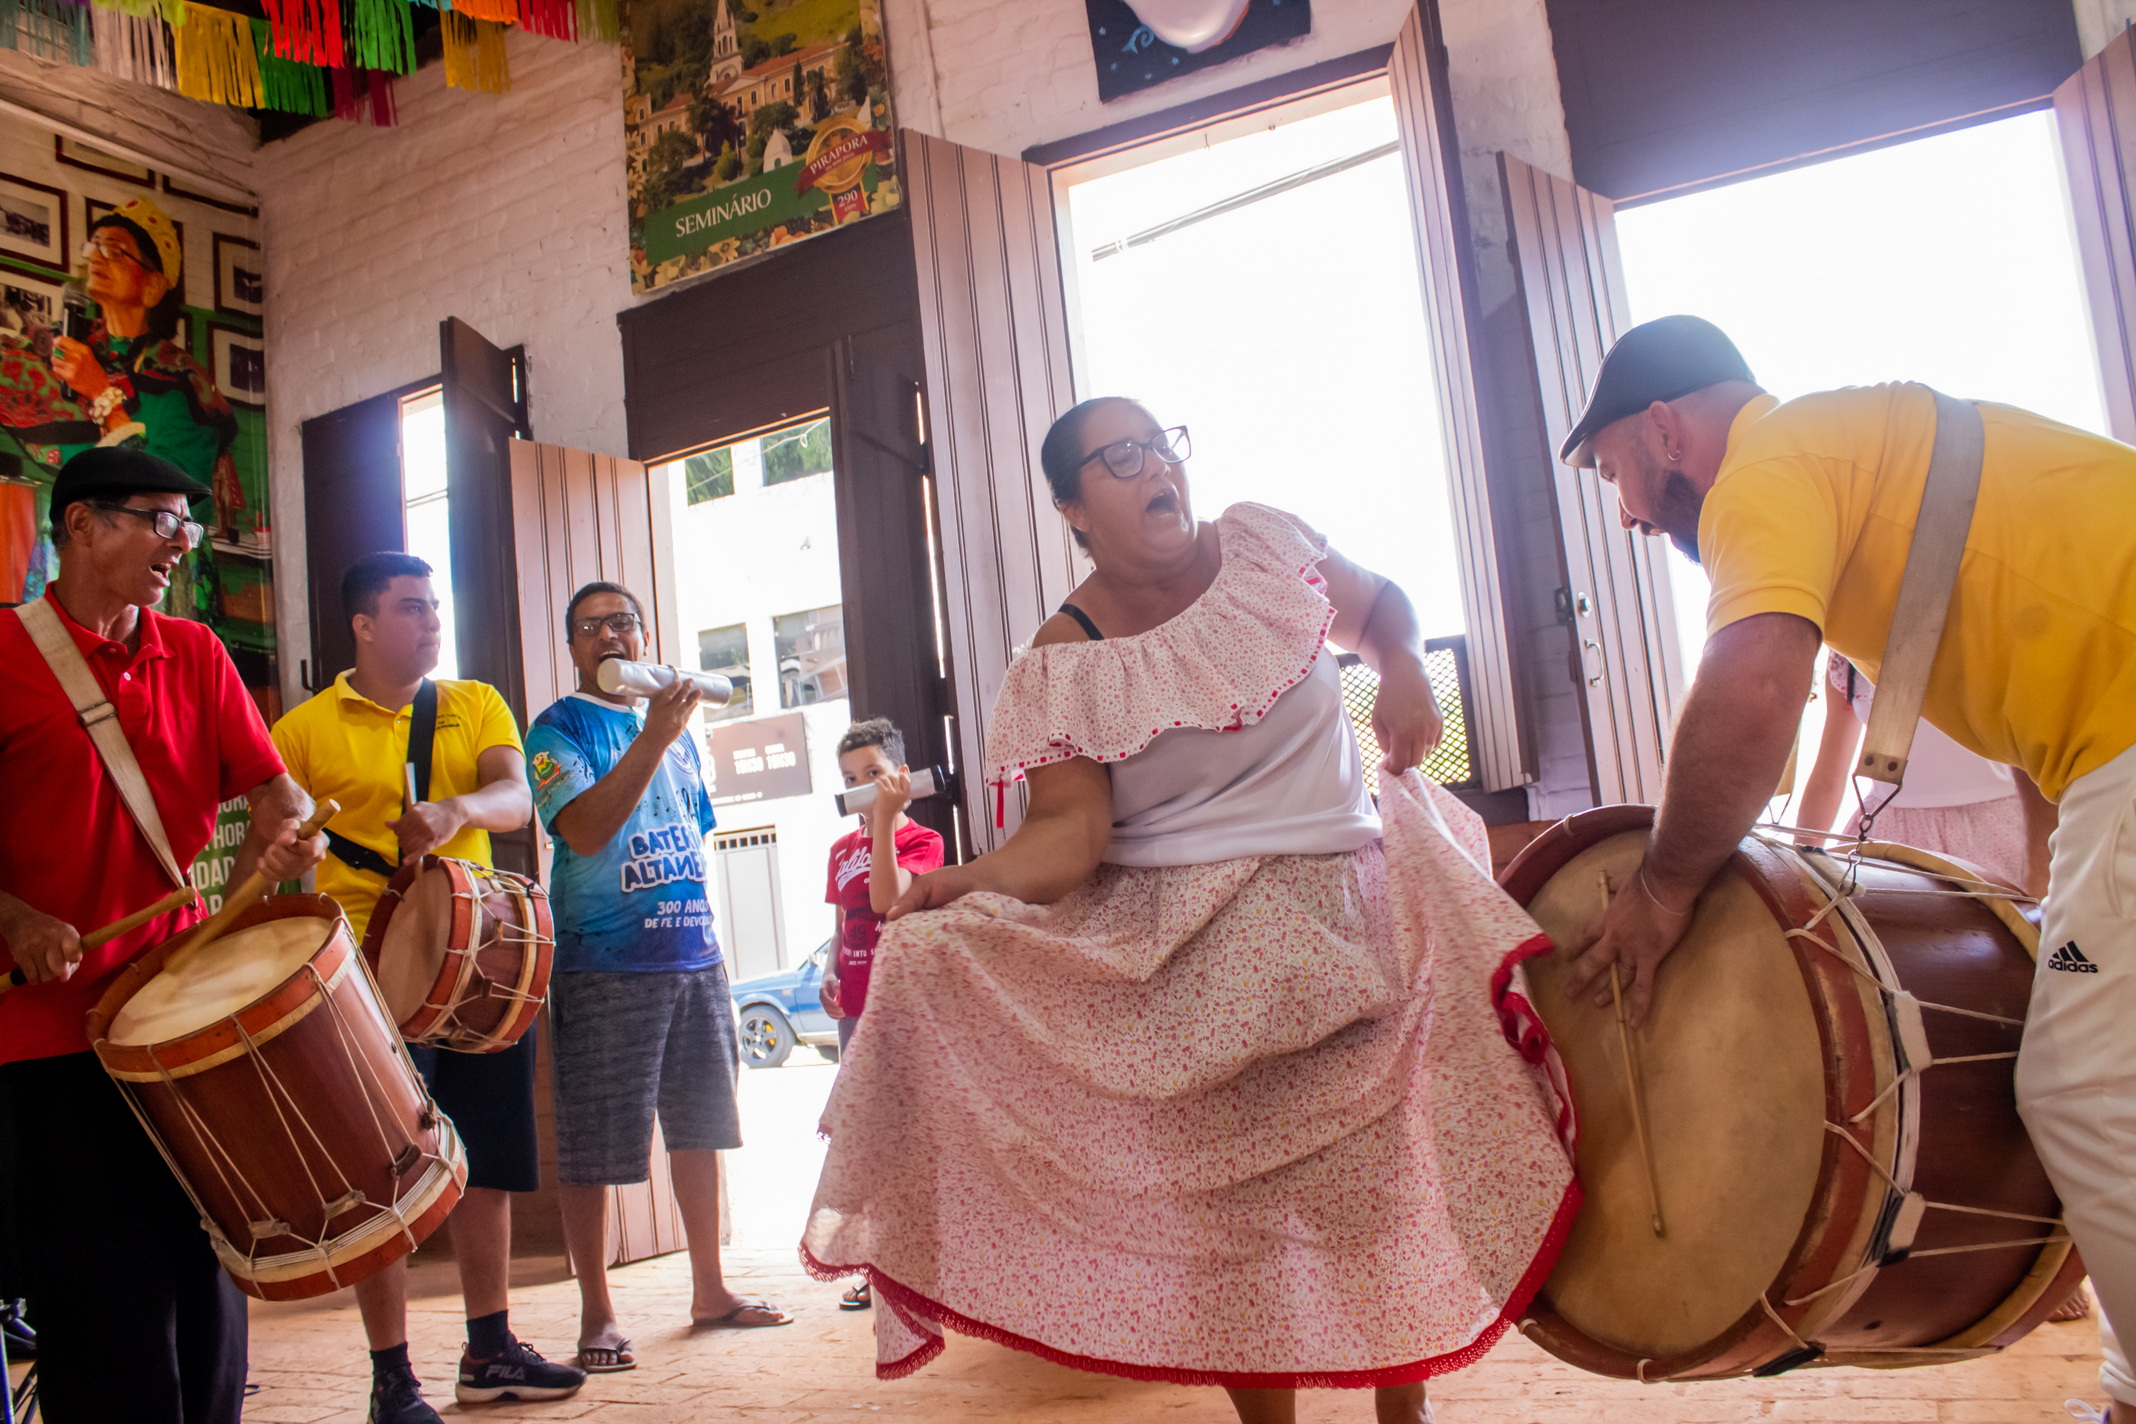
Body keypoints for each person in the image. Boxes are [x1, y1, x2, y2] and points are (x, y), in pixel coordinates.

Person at [801, 400, 1576, 1424]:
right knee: (1241, 1231)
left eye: (1159, 443)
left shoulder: (1264, 541)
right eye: (1117, 458)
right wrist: (966, 881)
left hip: (1348, 908)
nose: (1153, 464)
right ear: (1073, 506)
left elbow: (1380, 606)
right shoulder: (1063, 656)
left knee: (1377, 1192)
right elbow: (1071, 834)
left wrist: (1399, 671)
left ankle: (1407, 1413)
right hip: (1190, 959)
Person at [1556, 315, 2136, 1419]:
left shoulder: (1765, 470)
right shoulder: (1855, 459)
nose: (1628, 512)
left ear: (1668, 430)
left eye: (1616, 471)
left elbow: (1755, 687)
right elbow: (2039, 729)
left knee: (2089, 1089)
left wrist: (1665, 887)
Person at [0, 446, 324, 1423]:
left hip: (185, 1025)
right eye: (160, 519)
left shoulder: (195, 653)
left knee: (208, 1279)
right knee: (103, 1301)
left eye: (187, 522)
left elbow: (277, 791)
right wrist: (11, 915)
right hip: (52, 1037)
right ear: (82, 528)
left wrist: (283, 828)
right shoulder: (7, 656)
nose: (181, 542)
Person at [271, 551, 582, 1422]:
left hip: (479, 967)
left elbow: (516, 798)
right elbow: (282, 830)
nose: (431, 621)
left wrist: (455, 814)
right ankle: (392, 1378)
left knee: (483, 1158)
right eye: (411, 608)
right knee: (388, 1181)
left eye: (435, 607)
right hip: (368, 984)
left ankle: (490, 1349)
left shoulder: (474, 703)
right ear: (364, 625)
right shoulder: (301, 731)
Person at [525, 581, 791, 1375]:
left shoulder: (679, 737)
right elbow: (585, 826)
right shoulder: (558, 728)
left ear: (646, 636)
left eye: (623, 622)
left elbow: (691, 835)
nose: (609, 635)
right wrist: (650, 736)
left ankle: (710, 1290)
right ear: (573, 648)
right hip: (607, 963)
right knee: (595, 1143)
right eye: (590, 627)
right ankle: (598, 1315)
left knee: (703, 1129)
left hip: (694, 957)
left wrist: (663, 734)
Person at [819, 716, 947, 1311]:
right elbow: (846, 918)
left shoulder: (921, 841)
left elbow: (889, 901)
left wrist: (885, 827)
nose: (863, 787)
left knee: (909, 1133)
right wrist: (829, 968)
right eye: (851, 778)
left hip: (902, 1008)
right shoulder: (841, 849)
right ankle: (878, 1262)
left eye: (873, 774)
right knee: (866, 1133)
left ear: (899, 774)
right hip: (856, 1010)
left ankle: (918, 1261)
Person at [1797, 650, 2045, 893]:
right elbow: (1828, 777)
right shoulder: (1848, 652)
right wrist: (1797, 873)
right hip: (1887, 832)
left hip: (1995, 832)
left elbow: (2037, 756)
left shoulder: (1991, 630)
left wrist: (2042, 876)